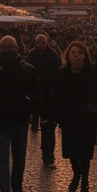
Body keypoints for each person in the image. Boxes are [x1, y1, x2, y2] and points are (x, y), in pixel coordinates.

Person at [0, 35, 40, 192]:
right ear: (17, 48)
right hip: (20, 120)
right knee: (19, 157)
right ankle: (17, 187)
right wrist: (27, 105)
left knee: (2, 159)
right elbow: (37, 94)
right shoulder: (28, 69)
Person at [48, 40, 97, 192]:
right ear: (68, 54)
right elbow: (55, 94)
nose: (76, 55)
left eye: (79, 52)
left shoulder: (93, 71)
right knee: (71, 151)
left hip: (87, 118)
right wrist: (54, 116)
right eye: (73, 52)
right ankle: (77, 174)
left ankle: (85, 184)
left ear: (85, 55)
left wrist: (94, 106)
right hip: (69, 118)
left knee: (85, 152)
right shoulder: (63, 72)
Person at [26, 33, 63, 166]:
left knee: (48, 126)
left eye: (43, 42)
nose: (42, 45)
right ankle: (45, 151)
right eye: (39, 42)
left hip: (48, 96)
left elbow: (57, 73)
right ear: (36, 43)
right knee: (41, 121)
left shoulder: (53, 55)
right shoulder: (31, 55)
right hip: (36, 96)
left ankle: (48, 155)